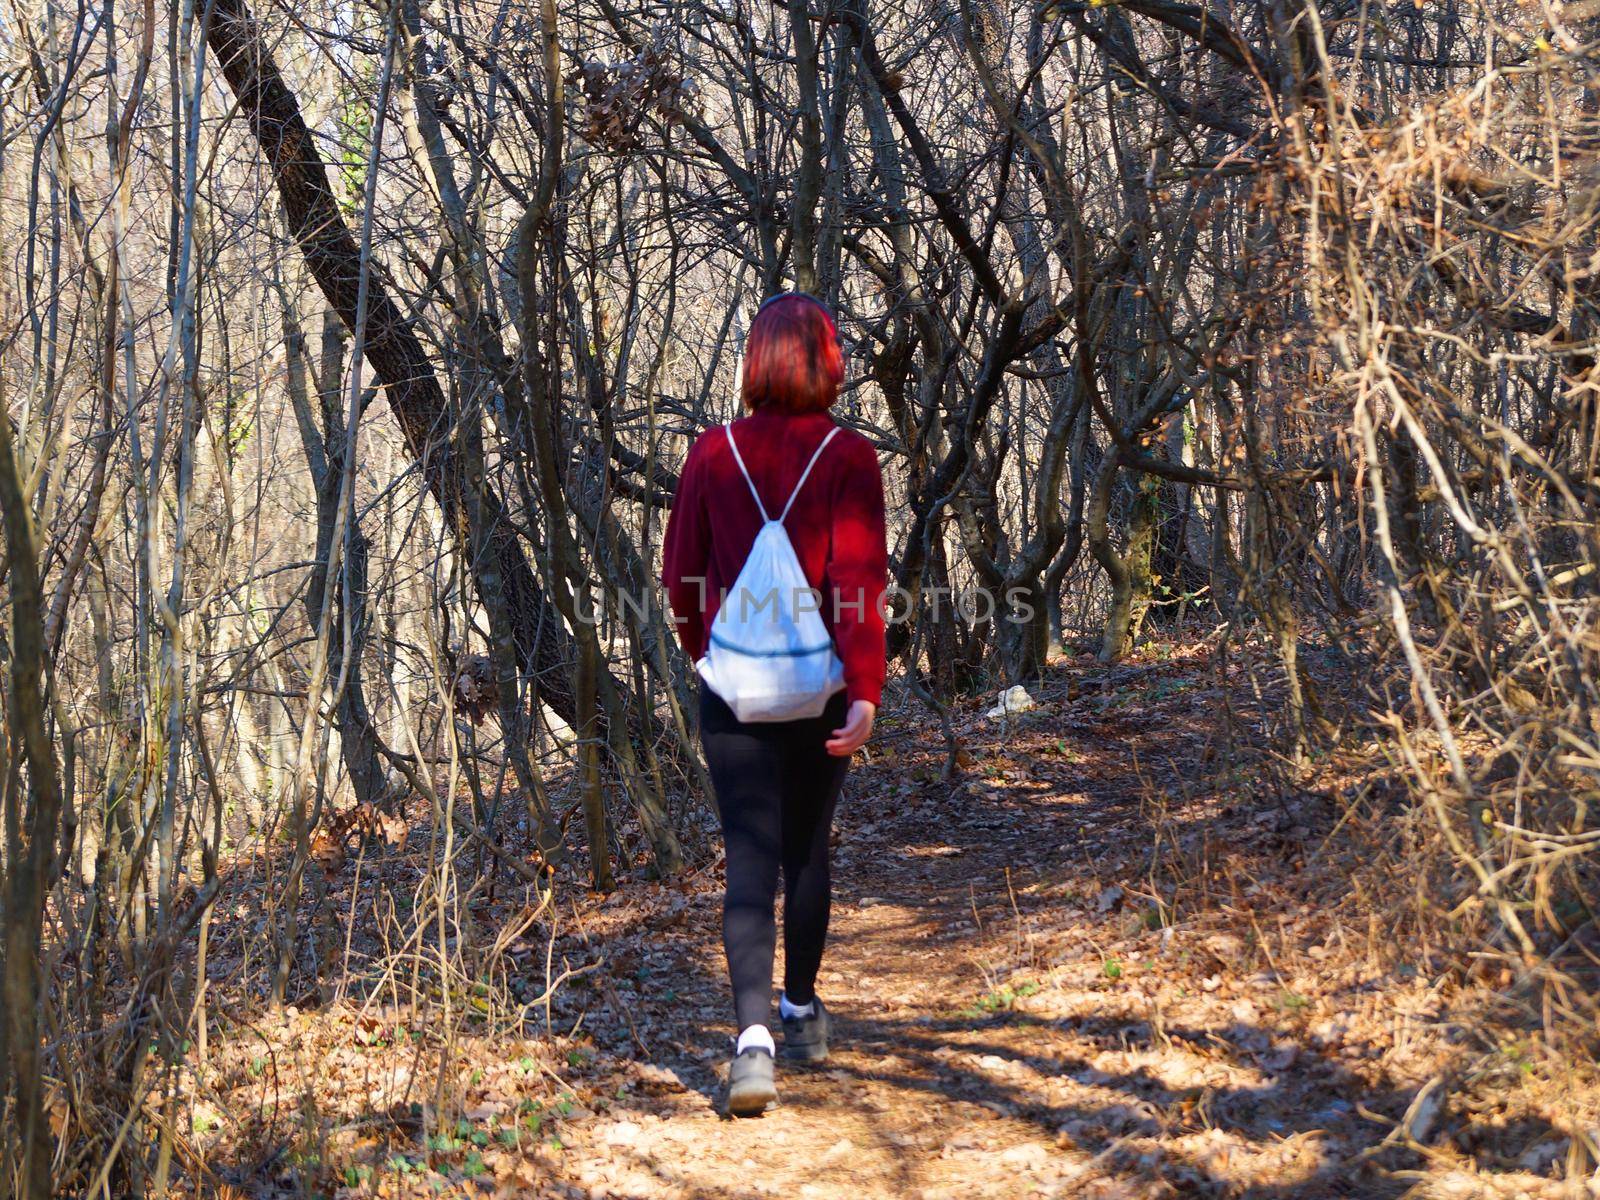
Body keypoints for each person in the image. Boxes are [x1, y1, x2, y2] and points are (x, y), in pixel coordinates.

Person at [661, 292, 888, 1116]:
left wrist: (704, 648)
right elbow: (859, 586)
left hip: (734, 694)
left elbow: (680, 572)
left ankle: (750, 1042)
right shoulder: (849, 455)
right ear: (827, 360)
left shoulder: (710, 452)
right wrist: (864, 690)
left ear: (755, 359)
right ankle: (799, 1011)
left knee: (748, 861)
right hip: (821, 691)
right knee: (808, 851)